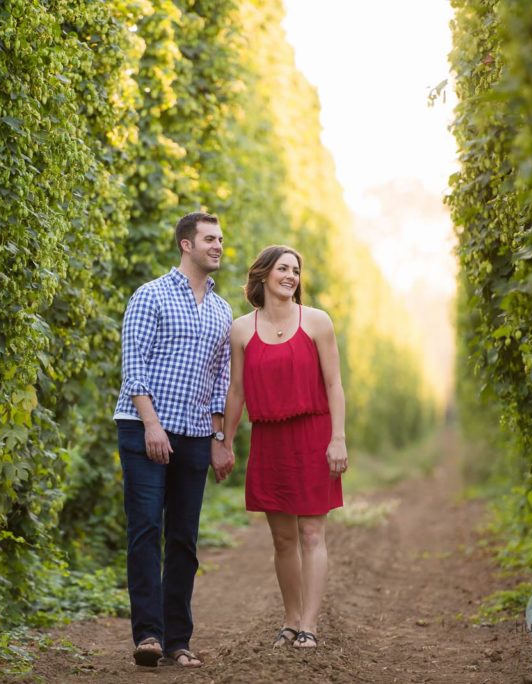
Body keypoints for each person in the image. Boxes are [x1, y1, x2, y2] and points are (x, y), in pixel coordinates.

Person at [113, 211, 235, 668]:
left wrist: (220, 438)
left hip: (197, 434)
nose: (218, 246)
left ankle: (179, 641)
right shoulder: (150, 296)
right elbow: (134, 367)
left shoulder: (224, 311)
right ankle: (148, 635)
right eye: (209, 239)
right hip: (144, 427)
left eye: (221, 239)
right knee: (146, 528)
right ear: (186, 244)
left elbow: (222, 380)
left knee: (184, 537)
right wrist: (151, 424)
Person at [222, 245, 348, 649]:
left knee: (312, 533)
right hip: (269, 440)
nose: (291, 275)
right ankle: (291, 619)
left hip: (313, 436)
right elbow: (237, 391)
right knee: (282, 540)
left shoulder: (317, 322)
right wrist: (225, 440)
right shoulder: (241, 328)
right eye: (283, 268)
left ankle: (310, 625)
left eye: (296, 269)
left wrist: (338, 438)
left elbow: (334, 385)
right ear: (263, 275)